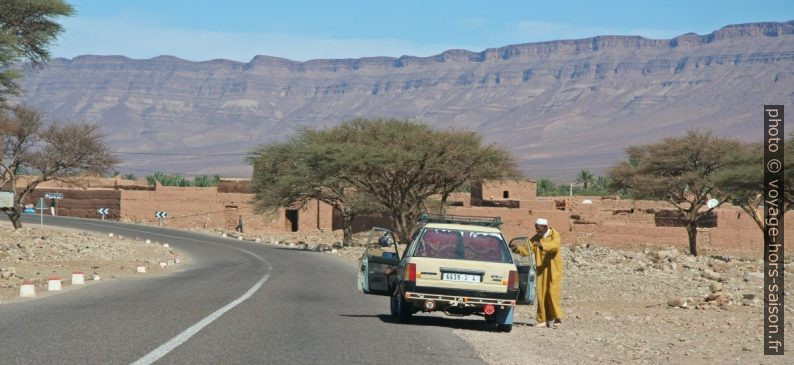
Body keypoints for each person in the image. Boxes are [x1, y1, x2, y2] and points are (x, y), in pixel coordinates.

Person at [509, 218, 564, 328]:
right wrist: (517, 249)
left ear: (544, 227)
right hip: (541, 270)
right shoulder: (537, 238)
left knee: (552, 293)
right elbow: (527, 249)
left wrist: (542, 245)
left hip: (553, 269)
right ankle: (543, 319)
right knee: (541, 294)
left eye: (538, 228)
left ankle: (558, 318)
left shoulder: (554, 234)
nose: (536, 231)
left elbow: (555, 246)